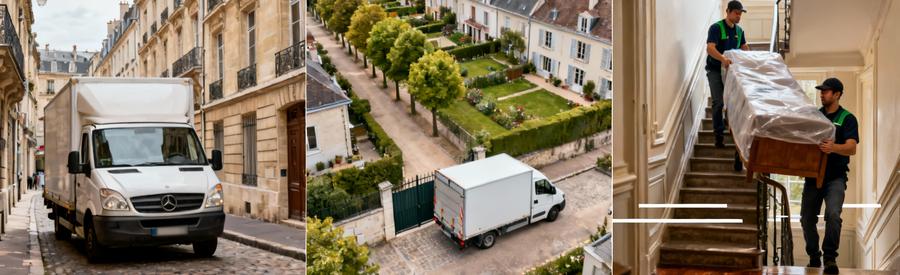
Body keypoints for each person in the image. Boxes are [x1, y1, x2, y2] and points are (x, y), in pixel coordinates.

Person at [801, 78, 858, 274]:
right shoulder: (816, 116)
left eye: (826, 91)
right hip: (813, 176)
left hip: (835, 178)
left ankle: (830, 258)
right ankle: (814, 257)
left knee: (833, 215)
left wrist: (833, 147)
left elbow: (851, 148)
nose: (822, 94)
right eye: (821, 91)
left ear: (837, 94)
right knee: (806, 218)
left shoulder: (847, 118)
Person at [706, 1, 749, 147]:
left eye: (740, 14)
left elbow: (744, 48)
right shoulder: (716, 28)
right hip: (715, 70)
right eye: (736, 13)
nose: (739, 16)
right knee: (718, 102)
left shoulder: (739, 31)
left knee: (733, 104)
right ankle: (718, 135)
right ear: (728, 11)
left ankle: (731, 129)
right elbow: (710, 48)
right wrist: (723, 58)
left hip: (731, 73)